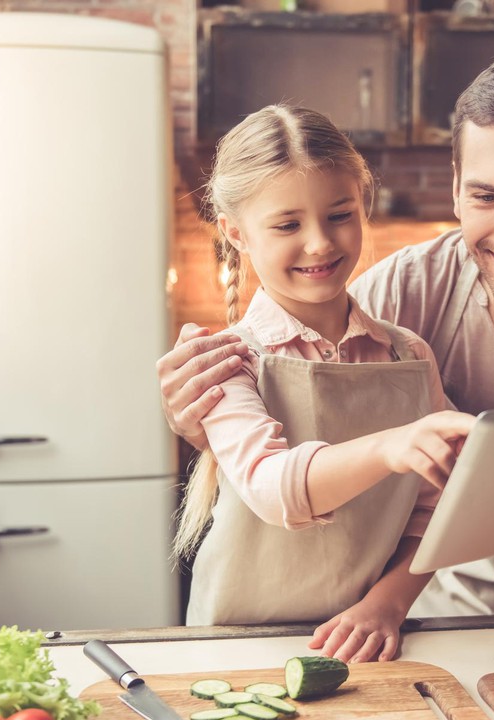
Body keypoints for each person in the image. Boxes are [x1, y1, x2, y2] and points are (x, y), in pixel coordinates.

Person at [158, 49, 494, 624]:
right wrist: (203, 421)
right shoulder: (401, 294)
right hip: (428, 626)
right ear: (456, 187)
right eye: (487, 196)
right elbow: (290, 460)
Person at [170, 104, 475, 663]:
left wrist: (387, 604)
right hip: (234, 643)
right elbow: (270, 487)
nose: (320, 243)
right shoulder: (227, 360)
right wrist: (391, 445)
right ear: (235, 233)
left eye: (340, 214)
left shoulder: (408, 354)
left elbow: (440, 509)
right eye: (288, 225)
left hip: (368, 641)